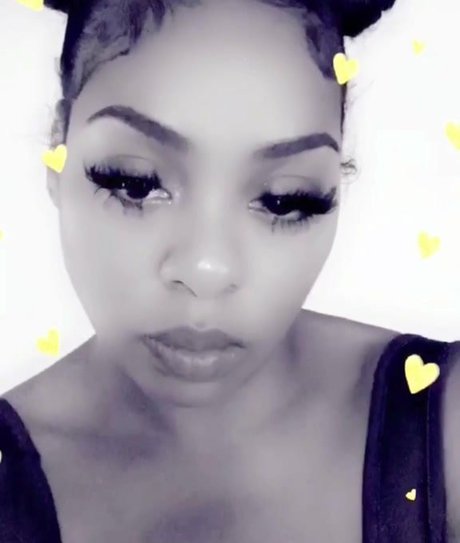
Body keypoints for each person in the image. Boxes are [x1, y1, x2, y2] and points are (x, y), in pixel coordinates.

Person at [0, 0, 459, 541]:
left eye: (285, 199)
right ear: (59, 151)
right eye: (134, 183)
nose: (207, 269)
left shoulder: (442, 423)